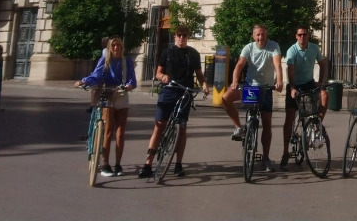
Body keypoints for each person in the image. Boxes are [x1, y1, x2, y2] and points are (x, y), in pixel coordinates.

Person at [138, 26, 209, 179]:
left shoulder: (193, 54)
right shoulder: (168, 52)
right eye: (179, 35)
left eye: (184, 35)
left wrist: (204, 84)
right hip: (169, 90)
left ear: (188, 37)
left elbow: (199, 74)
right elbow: (158, 72)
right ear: (175, 36)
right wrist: (162, 77)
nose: (181, 38)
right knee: (159, 125)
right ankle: (148, 164)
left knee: (182, 128)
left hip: (185, 92)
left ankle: (178, 164)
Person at [221, 24, 284, 172]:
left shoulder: (273, 46)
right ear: (253, 36)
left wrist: (280, 81)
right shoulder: (248, 47)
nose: (261, 37)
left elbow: (277, 65)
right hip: (250, 87)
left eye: (263, 34)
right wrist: (235, 81)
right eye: (258, 35)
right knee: (226, 98)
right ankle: (239, 128)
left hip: (266, 88)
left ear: (266, 35)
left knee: (267, 123)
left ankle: (266, 158)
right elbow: (239, 65)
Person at [75, 36, 137, 177]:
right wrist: (85, 81)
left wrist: (129, 85)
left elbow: (132, 79)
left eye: (118, 45)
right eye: (113, 45)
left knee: (120, 133)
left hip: (121, 94)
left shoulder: (127, 61)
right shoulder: (104, 61)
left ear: (122, 47)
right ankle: (105, 164)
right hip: (108, 94)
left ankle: (118, 164)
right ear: (109, 47)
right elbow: (96, 75)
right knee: (108, 131)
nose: (116, 48)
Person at [280, 25, 328, 169]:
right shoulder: (292, 50)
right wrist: (292, 87)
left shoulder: (314, 48)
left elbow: (322, 63)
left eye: (305, 34)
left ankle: (316, 125)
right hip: (295, 84)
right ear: (296, 36)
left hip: (309, 83)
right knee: (289, 118)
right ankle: (285, 152)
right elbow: (290, 70)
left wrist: (321, 81)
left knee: (325, 95)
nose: (302, 37)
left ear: (308, 35)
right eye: (300, 34)